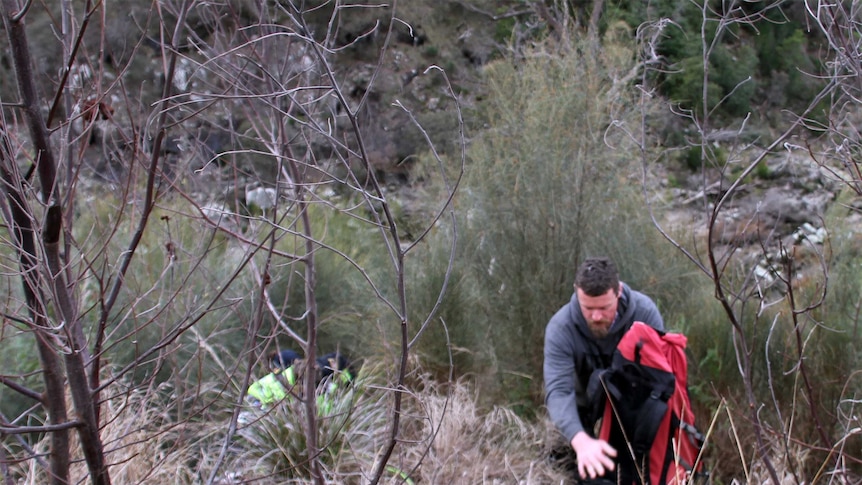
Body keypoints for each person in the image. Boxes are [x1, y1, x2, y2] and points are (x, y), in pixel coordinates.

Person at [543, 257, 664, 482]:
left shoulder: (644, 313)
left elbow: (660, 382)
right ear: (576, 292)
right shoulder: (561, 328)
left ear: (617, 291)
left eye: (604, 308)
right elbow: (558, 392)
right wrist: (581, 441)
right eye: (588, 308)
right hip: (581, 416)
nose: (596, 316)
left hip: (633, 412)